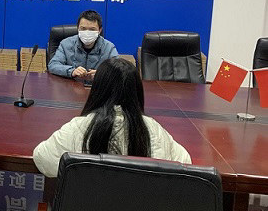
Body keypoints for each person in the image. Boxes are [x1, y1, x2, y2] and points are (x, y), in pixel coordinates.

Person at [34, 58, 191, 178]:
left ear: (98, 89)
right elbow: (184, 163)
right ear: (136, 91)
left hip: (87, 210)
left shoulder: (80, 125)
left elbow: (42, 158)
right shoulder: (152, 128)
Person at [48, 10, 118, 79]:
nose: (87, 32)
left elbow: (118, 72)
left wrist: (101, 74)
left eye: (92, 29)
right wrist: (71, 71)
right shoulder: (66, 44)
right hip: (71, 84)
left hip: (97, 85)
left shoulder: (109, 48)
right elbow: (53, 65)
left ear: (99, 30)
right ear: (78, 28)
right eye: (83, 29)